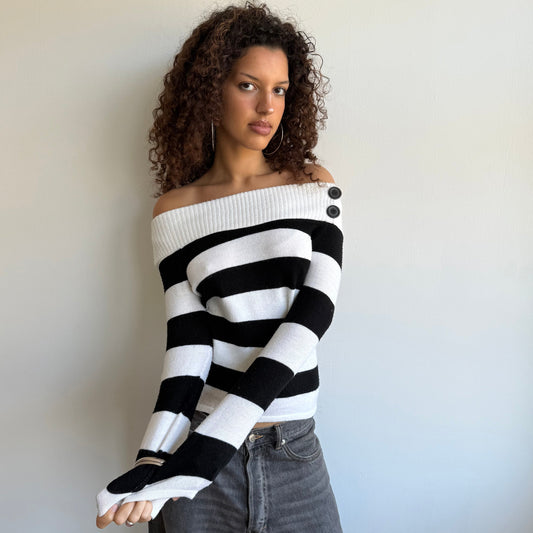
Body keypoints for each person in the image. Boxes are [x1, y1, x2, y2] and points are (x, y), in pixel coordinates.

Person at [96, 2, 344, 531]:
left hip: (290, 449)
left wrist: (208, 450)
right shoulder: (174, 212)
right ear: (211, 90)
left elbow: (312, 319)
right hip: (201, 450)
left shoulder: (312, 186)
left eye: (280, 90)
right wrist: (154, 457)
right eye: (248, 85)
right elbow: (189, 345)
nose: (268, 106)